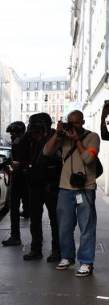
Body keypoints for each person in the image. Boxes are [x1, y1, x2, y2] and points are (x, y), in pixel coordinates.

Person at [44, 110, 100, 277]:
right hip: (65, 188)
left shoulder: (93, 137)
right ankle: (67, 257)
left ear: (82, 122)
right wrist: (58, 133)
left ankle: (86, 262)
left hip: (85, 189)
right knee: (64, 227)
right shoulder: (64, 138)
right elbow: (47, 152)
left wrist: (77, 140)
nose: (73, 126)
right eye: (70, 122)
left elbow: (89, 159)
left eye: (76, 123)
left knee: (87, 228)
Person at [22, 112, 60, 262]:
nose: (35, 128)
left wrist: (43, 137)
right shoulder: (31, 137)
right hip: (35, 184)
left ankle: (56, 250)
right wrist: (29, 131)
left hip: (51, 183)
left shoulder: (54, 136)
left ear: (45, 124)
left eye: (37, 124)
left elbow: (51, 154)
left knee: (55, 219)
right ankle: (35, 249)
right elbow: (22, 148)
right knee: (35, 219)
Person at [2, 121, 29, 246]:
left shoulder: (26, 143)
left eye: (13, 134)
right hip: (18, 177)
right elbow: (16, 158)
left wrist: (19, 164)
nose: (11, 137)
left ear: (20, 133)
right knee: (14, 207)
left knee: (17, 207)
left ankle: (16, 236)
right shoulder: (17, 143)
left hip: (24, 179)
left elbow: (30, 161)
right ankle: (15, 235)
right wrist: (7, 162)